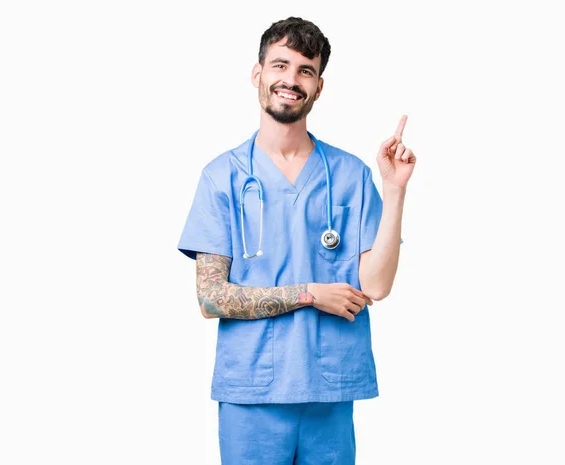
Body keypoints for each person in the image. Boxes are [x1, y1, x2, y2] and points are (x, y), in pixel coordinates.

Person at [177, 16, 416, 465]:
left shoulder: (350, 175)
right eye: (280, 65)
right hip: (252, 392)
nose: (291, 79)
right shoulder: (222, 178)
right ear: (258, 74)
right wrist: (310, 295)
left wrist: (395, 189)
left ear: (319, 86)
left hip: (328, 388)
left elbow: (377, 286)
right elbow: (210, 298)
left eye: (305, 70)